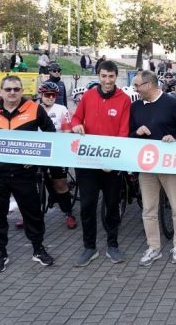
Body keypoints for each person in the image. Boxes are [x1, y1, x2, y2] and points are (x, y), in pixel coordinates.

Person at [0, 75, 56, 273]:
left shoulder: (34, 109)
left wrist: (36, 157)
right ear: (1, 91)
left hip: (24, 174)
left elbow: (51, 132)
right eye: (8, 89)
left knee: (33, 214)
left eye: (16, 89)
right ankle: (1, 253)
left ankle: (38, 249)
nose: (12, 93)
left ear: (22, 91)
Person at [129, 71, 176, 266]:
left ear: (149, 84)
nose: (135, 88)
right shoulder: (135, 107)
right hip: (147, 164)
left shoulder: (171, 103)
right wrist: (136, 132)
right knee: (148, 209)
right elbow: (129, 135)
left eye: (138, 85)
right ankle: (154, 247)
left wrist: (175, 139)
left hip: (169, 163)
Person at [70, 61, 131, 267]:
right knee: (87, 206)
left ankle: (112, 245)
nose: (107, 81)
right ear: (98, 76)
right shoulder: (88, 95)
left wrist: (113, 160)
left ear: (116, 77)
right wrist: (76, 124)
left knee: (112, 206)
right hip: (87, 162)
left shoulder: (123, 99)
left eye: (111, 77)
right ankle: (89, 247)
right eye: (103, 76)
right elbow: (76, 117)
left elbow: (123, 132)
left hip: (110, 164)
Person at [38, 81, 77, 229]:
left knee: (60, 183)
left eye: (53, 95)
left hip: (57, 150)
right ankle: (27, 214)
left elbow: (67, 131)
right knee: (32, 183)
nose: (50, 97)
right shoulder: (34, 108)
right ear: (41, 95)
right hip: (38, 151)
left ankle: (68, 213)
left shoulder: (61, 109)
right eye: (47, 95)